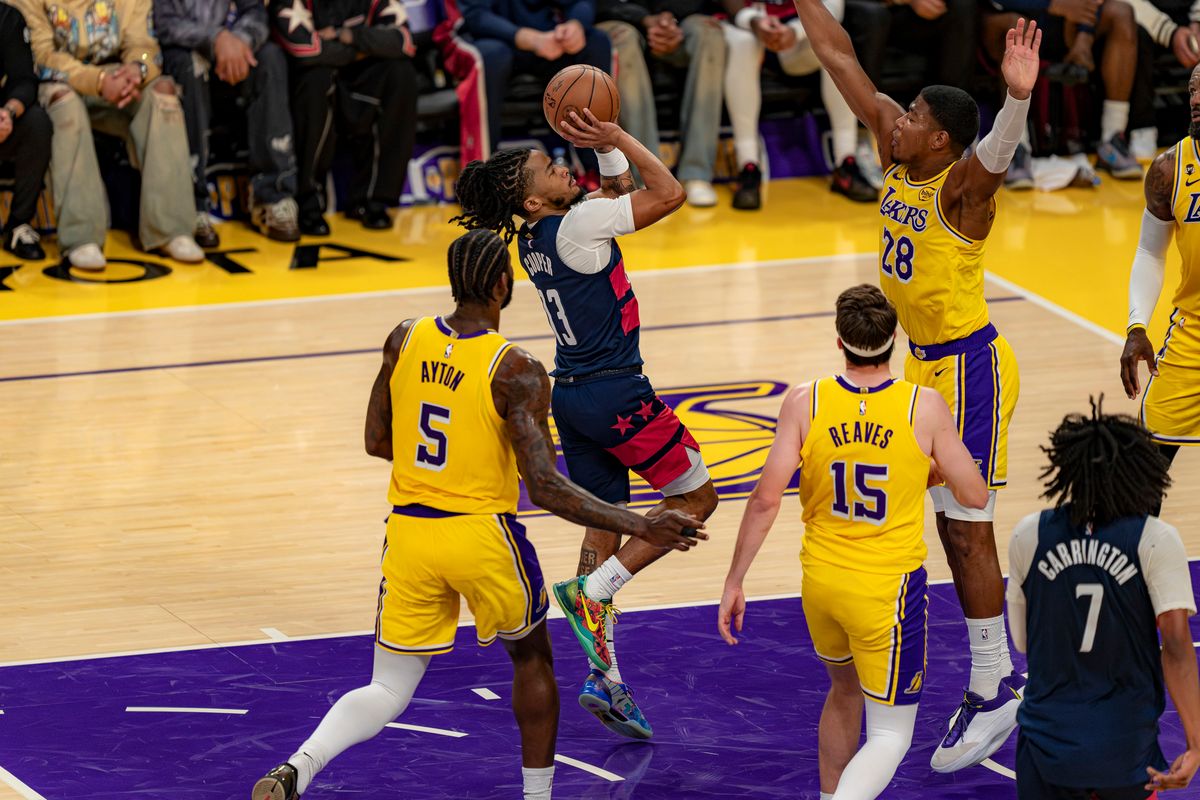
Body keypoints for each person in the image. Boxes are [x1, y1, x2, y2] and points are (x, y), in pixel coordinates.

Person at [250, 228, 704, 800]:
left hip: (410, 535)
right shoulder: (516, 367)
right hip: (482, 537)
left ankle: (298, 768)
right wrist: (641, 523)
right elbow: (544, 488)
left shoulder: (404, 337)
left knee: (388, 688)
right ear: (502, 284)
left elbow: (375, 440)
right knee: (532, 659)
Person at [793, 1, 1042, 772]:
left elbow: (997, 153)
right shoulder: (898, 155)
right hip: (920, 368)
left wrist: (1020, 98)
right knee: (947, 526)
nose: (894, 122)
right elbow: (841, 62)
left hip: (967, 366)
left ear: (939, 137)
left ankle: (996, 683)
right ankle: (991, 678)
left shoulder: (963, 190)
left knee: (966, 524)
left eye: (912, 120)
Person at [451, 111, 718, 740]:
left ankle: (606, 677)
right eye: (550, 167)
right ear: (536, 198)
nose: (561, 165)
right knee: (696, 498)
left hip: (570, 396)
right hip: (619, 392)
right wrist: (618, 138)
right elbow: (669, 195)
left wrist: (602, 151)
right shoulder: (579, 222)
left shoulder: (537, 236)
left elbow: (617, 197)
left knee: (604, 523)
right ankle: (593, 592)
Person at [718, 284, 988, 800]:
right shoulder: (923, 405)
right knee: (890, 735)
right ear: (895, 341)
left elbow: (764, 500)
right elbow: (974, 496)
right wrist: (928, 470)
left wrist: (734, 580)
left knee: (843, 692)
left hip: (821, 584)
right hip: (885, 593)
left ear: (840, 341)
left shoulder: (805, 400)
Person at [1007, 400, 1200, 799]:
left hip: (1048, 746)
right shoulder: (1155, 539)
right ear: (1140, 474)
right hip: (1124, 748)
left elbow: (1025, 642)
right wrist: (1197, 743)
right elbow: (1178, 646)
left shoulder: (1029, 534)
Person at [18, 0, 203, 271]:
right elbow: (42, 56)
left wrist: (136, 70)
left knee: (162, 92)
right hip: (61, 84)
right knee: (65, 101)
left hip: (118, 83)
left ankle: (171, 229)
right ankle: (81, 237)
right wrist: (99, 81)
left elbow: (144, 45)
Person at [155, 0, 301, 245]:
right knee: (188, 65)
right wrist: (216, 39)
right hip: (185, 50)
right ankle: (192, 203)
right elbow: (162, 24)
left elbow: (255, 11)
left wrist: (241, 41)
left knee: (271, 57)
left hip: (231, 53)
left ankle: (272, 195)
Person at [270, 0, 419, 235]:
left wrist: (347, 35)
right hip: (310, 81)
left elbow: (405, 41)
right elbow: (305, 50)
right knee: (315, 78)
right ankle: (308, 203)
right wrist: (362, 50)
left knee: (401, 74)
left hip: (355, 77)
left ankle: (372, 200)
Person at [1120, 62, 1200, 490]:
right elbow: (1150, 252)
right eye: (1191, 90)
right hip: (1193, 339)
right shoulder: (1170, 169)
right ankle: (1141, 557)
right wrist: (1136, 327)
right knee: (1141, 474)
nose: (1197, 100)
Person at [720, 0, 878, 209]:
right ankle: (748, 167)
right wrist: (753, 21)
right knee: (743, 44)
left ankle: (846, 162)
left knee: (834, 38)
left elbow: (833, 8)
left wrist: (796, 31)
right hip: (747, 27)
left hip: (798, 34)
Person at [435, 0, 615, 172]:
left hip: (545, 38)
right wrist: (531, 39)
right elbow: (476, 17)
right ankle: (480, 178)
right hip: (481, 37)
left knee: (596, 43)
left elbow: (579, 2)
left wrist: (576, 25)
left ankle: (597, 172)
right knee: (490, 58)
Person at [982, 0, 1142, 181]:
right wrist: (1050, 4)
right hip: (1011, 15)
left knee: (1121, 12)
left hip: (1066, 21)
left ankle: (1113, 138)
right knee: (1016, 25)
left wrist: (1085, 34)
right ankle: (1016, 149)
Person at [595, 0, 726, 207]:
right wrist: (644, 19)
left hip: (678, 21)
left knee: (710, 33)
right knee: (623, 37)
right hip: (622, 18)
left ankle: (697, 172)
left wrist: (668, 21)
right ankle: (649, 180)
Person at [0, 0, 51, 261]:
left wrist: (8, 113)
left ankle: (18, 224)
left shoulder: (7, 16)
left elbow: (24, 79)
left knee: (37, 122)